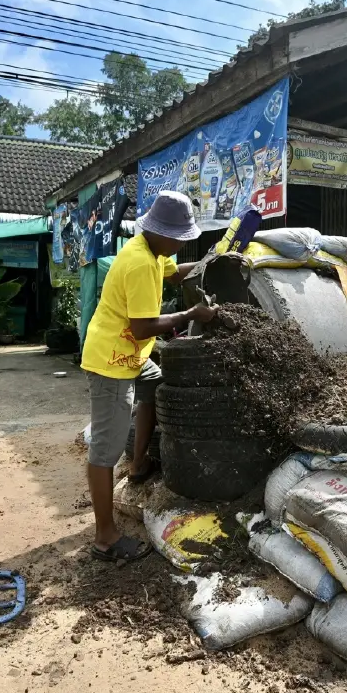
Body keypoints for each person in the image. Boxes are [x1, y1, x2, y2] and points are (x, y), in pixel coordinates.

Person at [79, 190, 217, 562]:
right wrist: (191, 314)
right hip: (112, 360)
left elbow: (174, 277)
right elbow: (143, 327)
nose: (180, 244)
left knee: (155, 381)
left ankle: (138, 463)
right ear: (160, 232)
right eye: (178, 238)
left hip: (133, 357)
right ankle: (105, 537)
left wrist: (213, 262)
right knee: (105, 450)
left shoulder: (154, 252)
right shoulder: (139, 262)